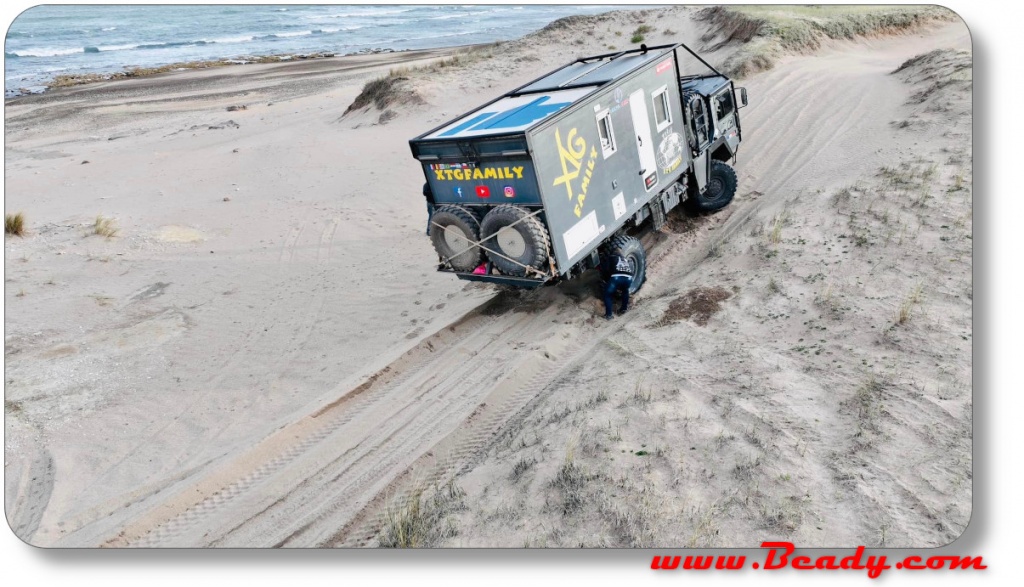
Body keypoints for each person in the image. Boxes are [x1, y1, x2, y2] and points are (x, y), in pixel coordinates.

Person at [600, 252, 634, 320]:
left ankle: (609, 315)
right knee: (625, 291)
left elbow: (606, 270)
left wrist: (605, 280)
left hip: (616, 278)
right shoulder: (625, 259)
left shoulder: (611, 257)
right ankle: (623, 309)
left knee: (607, 295)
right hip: (629, 278)